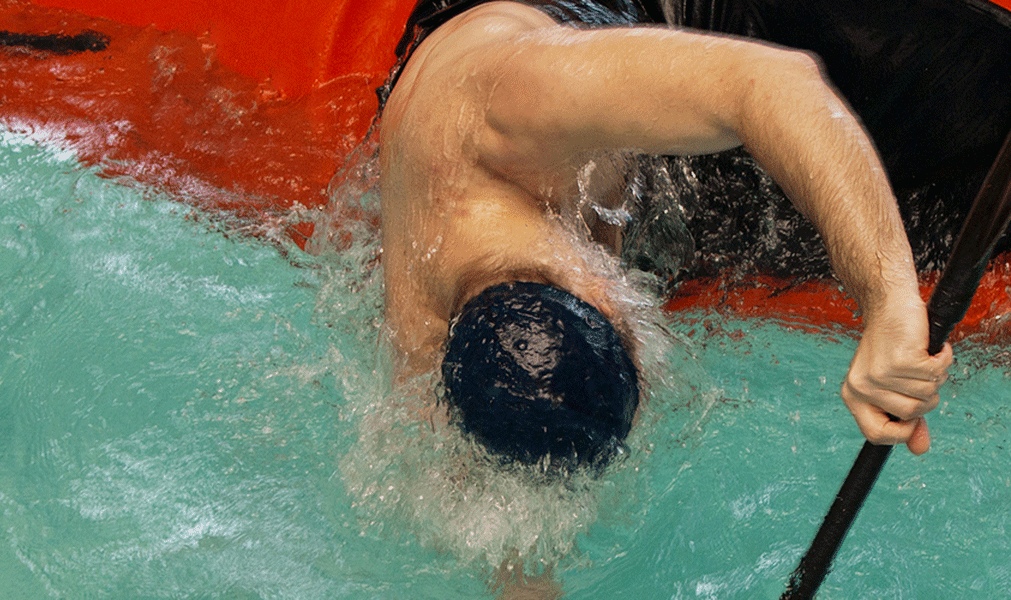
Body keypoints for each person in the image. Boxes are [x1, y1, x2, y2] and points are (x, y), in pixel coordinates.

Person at [379, 0, 951, 475]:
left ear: (606, 299)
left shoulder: (510, 111)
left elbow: (774, 81)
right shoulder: (432, 344)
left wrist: (888, 299)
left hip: (573, 24)